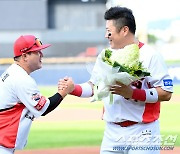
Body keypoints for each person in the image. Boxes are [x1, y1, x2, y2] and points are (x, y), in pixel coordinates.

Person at [59, 6, 174, 154]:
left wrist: (132, 93)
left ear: (124, 30)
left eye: (109, 31)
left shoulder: (150, 55)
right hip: (112, 132)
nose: (106, 35)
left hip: (143, 131)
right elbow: (94, 87)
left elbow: (166, 93)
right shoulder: (105, 55)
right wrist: (72, 88)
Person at [0, 35, 74, 154]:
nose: (41, 54)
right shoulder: (21, 79)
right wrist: (64, 91)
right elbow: (44, 109)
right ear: (24, 56)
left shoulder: (14, 72)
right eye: (37, 51)